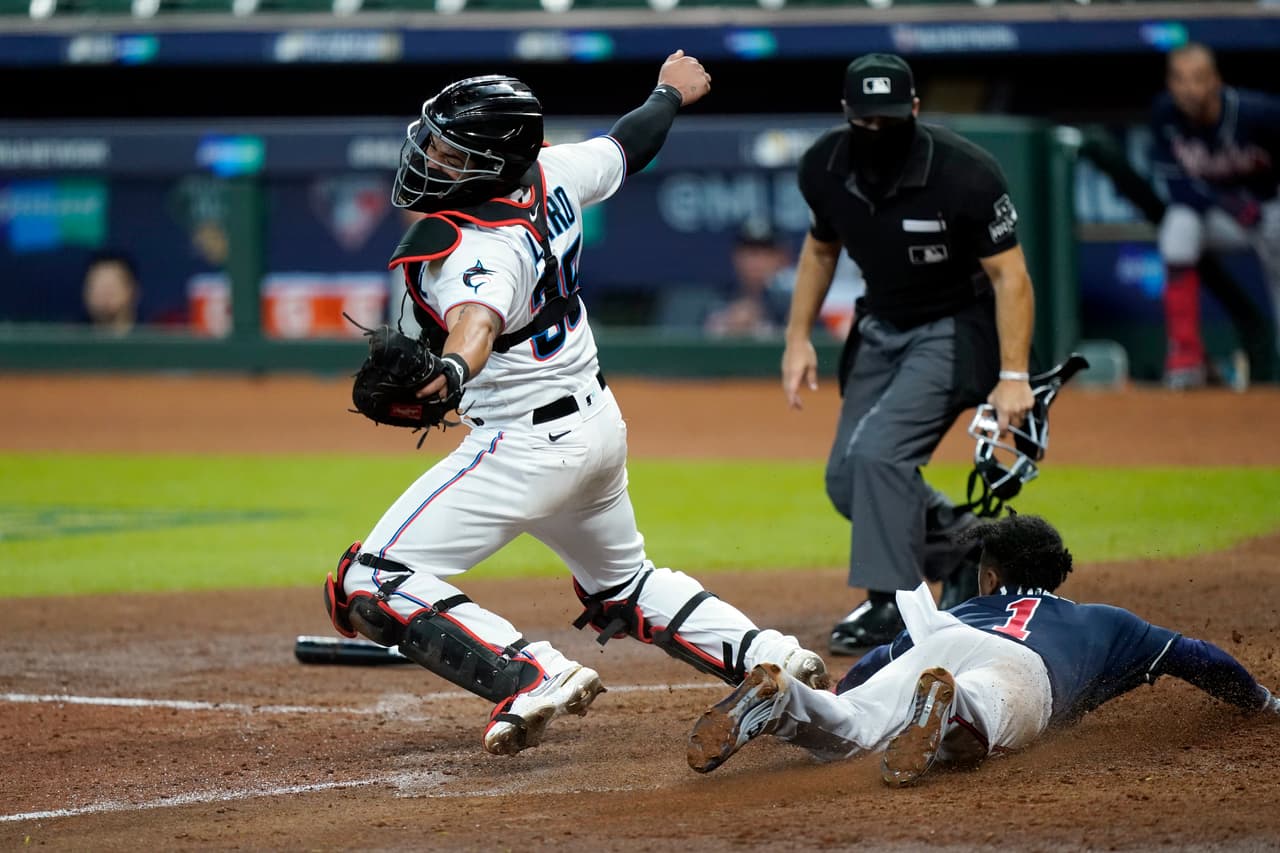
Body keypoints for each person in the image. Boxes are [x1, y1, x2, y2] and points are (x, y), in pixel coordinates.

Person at [321, 52, 830, 758]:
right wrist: (669, 93)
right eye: (432, 142)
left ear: (491, 160)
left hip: (521, 448)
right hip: (595, 428)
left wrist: (449, 368)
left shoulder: (481, 248)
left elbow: (478, 319)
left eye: (449, 149)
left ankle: (532, 672)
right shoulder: (554, 171)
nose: (430, 157)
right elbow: (631, 142)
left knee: (365, 579)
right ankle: (769, 655)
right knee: (624, 584)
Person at [687, 512, 1280, 786]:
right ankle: (953, 708)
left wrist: (848, 694)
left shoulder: (965, 608)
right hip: (1022, 668)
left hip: (936, 637)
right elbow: (1200, 658)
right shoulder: (1105, 621)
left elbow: (872, 665)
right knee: (985, 709)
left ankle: (785, 698)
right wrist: (1258, 701)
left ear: (991, 579)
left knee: (850, 724)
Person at [781, 52, 1037, 656]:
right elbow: (821, 251)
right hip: (881, 325)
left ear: (915, 110)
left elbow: (1011, 277)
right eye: (866, 122)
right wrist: (797, 338)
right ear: (847, 114)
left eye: (890, 121)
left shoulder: (964, 172)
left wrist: (1014, 375)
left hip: (953, 326)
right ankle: (966, 545)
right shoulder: (823, 165)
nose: (878, 133)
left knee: (878, 457)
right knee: (849, 481)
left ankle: (893, 605)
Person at [1151, 42, 1280, 391]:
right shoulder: (1165, 115)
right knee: (1177, 227)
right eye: (1179, 79)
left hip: (1269, 211)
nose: (1188, 89)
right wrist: (1231, 204)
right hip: (1220, 217)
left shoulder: (1259, 113)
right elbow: (1177, 188)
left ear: (1215, 81)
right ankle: (1185, 357)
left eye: (1197, 79)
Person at [703, 219, 793, 338]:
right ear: (735, 257)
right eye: (751, 252)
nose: (757, 262)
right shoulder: (713, 299)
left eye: (766, 253)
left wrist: (765, 315)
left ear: (783, 258)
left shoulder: (797, 302)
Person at [81, 250, 141, 335]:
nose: (105, 294)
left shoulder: (155, 342)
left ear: (133, 291)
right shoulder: (67, 342)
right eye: (98, 287)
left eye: (111, 286)